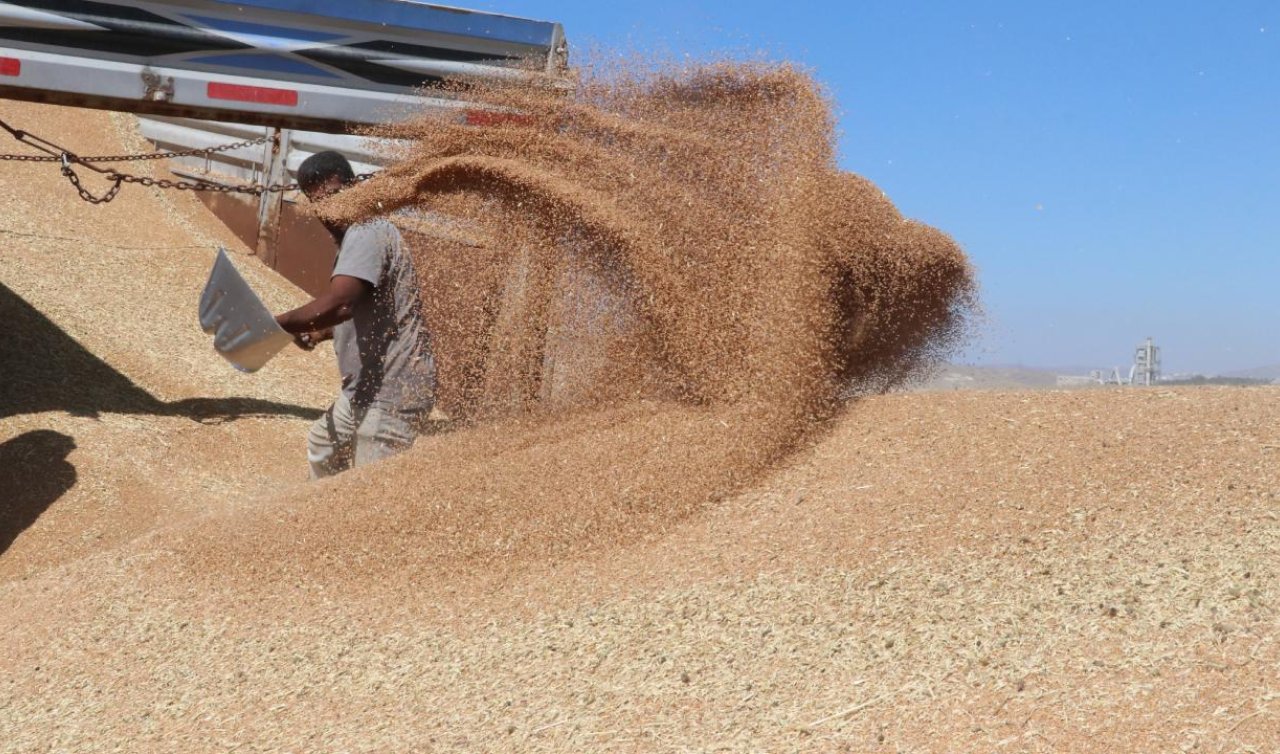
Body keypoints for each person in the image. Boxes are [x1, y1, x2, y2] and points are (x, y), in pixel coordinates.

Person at [274, 151, 438, 479]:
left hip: (393, 390)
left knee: (370, 489)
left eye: (336, 196)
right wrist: (321, 332)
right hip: (366, 387)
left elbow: (341, 304)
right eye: (319, 203)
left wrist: (274, 325)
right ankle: (323, 518)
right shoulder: (358, 236)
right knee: (323, 442)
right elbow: (366, 309)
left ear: (354, 189)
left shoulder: (366, 231)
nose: (330, 210)